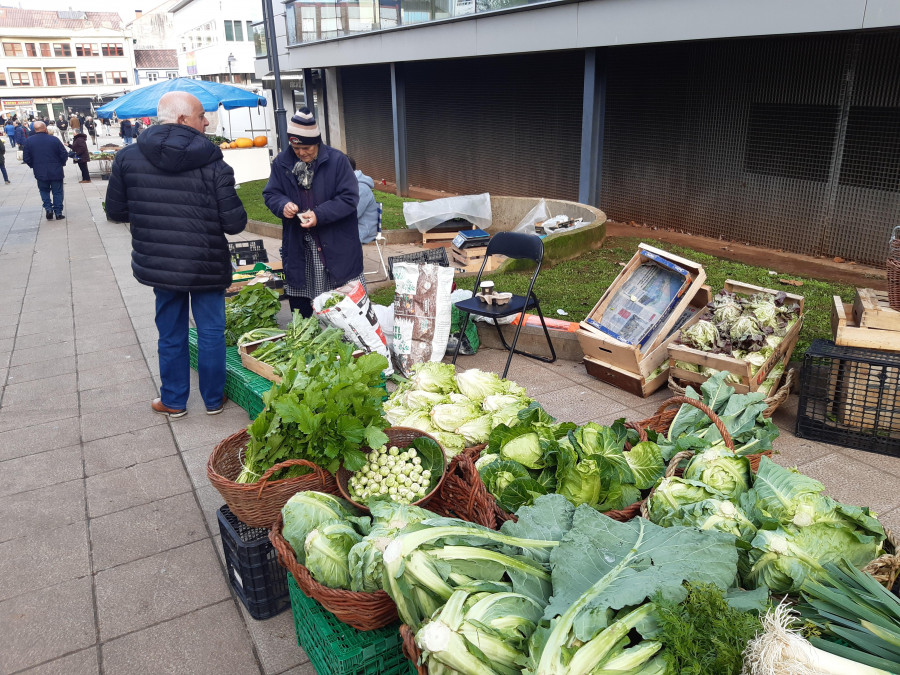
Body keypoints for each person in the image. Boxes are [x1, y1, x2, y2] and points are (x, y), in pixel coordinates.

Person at [105, 91, 247, 418]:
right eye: (201, 115)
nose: (206, 121)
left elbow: (115, 211)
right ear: (183, 119)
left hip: (160, 264)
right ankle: (213, 400)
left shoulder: (127, 158)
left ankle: (173, 400)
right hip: (206, 265)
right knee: (211, 333)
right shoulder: (214, 163)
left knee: (170, 332)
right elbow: (235, 223)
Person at [263, 108, 362, 319]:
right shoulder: (282, 163)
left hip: (336, 245)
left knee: (343, 309)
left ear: (317, 143)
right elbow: (271, 193)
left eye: (306, 147)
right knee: (304, 310)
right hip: (300, 247)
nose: (301, 153)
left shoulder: (337, 161)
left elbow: (349, 198)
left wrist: (318, 215)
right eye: (296, 147)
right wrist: (283, 205)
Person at [22, 121, 68, 220]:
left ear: (35, 130)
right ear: (45, 128)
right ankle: (58, 212)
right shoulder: (54, 140)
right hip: (56, 171)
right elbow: (64, 154)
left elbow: (26, 158)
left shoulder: (29, 141)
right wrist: (61, 163)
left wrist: (34, 165)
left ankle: (48, 209)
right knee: (57, 192)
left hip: (40, 171)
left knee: (44, 191)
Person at [348, 156, 378, 244]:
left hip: (363, 229)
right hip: (352, 226)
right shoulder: (348, 184)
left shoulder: (361, 188)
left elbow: (353, 214)